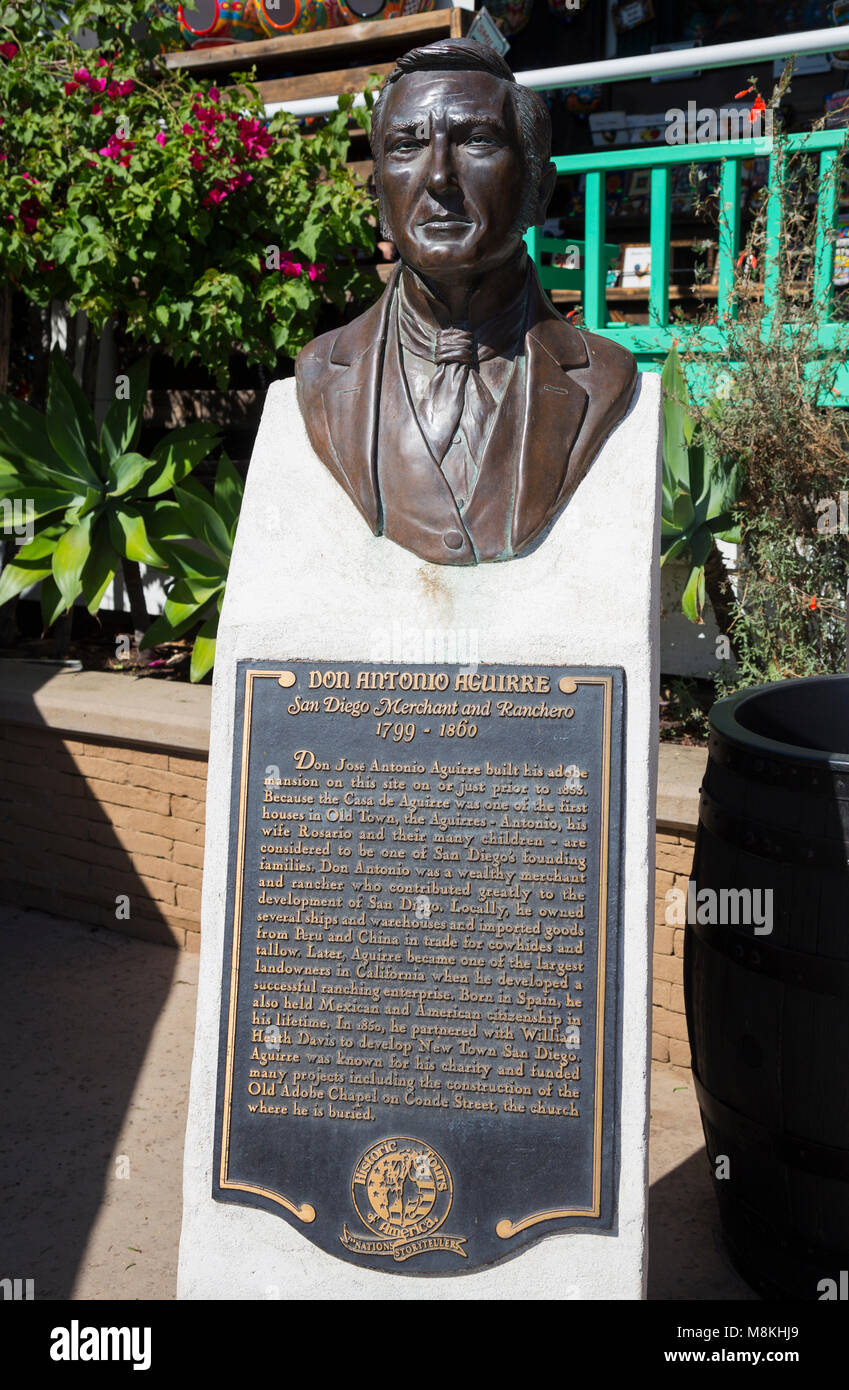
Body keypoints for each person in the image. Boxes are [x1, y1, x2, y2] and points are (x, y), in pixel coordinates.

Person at [295, 38, 637, 566]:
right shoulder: (323, 371)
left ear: (537, 191)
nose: (438, 177)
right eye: (407, 146)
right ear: (380, 197)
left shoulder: (602, 376)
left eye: (476, 140)